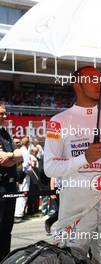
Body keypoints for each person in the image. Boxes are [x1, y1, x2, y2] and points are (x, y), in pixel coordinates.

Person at [44, 66, 101, 264]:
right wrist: (84, 159)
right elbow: (50, 167)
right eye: (92, 79)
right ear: (77, 84)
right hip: (75, 204)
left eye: (100, 80)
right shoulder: (58, 121)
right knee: (70, 257)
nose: (98, 84)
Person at [0, 101, 23, 261]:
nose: (4, 115)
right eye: (1, 113)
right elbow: (2, 160)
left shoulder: (5, 134)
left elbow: (20, 155)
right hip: (0, 188)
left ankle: (5, 258)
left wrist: (10, 156)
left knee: (7, 229)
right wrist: (12, 156)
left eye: (5, 112)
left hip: (10, 187)